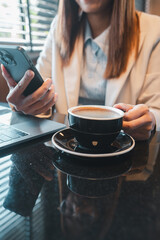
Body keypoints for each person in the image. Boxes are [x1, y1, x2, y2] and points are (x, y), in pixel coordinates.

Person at [1, 0, 160, 140]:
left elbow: (156, 110)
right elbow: (41, 93)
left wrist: (152, 119)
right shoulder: (59, 27)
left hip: (123, 154)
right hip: (69, 147)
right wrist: (26, 102)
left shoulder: (154, 30)